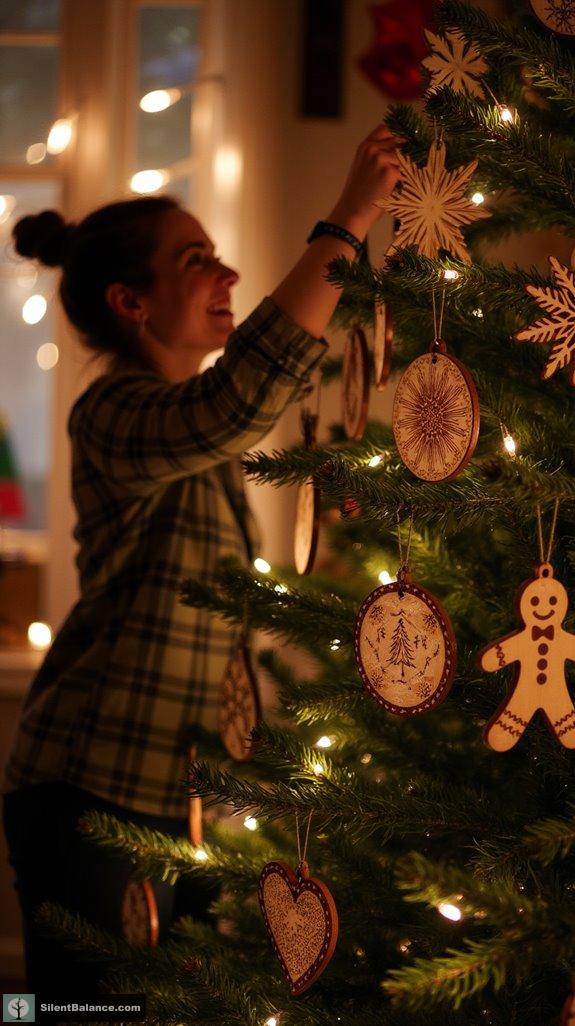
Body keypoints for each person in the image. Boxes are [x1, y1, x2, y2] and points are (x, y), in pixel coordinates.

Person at [1, 125, 402, 994]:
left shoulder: (198, 430)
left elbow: (262, 396)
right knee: (74, 1010)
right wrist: (346, 218)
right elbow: (240, 401)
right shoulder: (112, 411)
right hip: (91, 788)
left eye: (218, 258)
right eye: (195, 262)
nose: (226, 276)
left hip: (180, 805)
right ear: (129, 302)